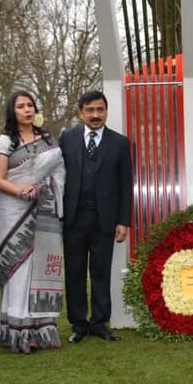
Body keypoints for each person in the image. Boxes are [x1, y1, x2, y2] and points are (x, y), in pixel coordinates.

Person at [0, 91, 65, 354]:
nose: (26, 110)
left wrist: (46, 188)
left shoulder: (47, 139)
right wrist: (20, 191)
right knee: (19, 270)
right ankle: (18, 332)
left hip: (43, 211)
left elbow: (58, 172)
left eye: (30, 105)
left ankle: (40, 329)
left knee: (39, 267)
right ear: (12, 111)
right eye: (20, 106)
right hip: (13, 211)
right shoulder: (5, 141)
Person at [59, 90, 132, 343]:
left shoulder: (120, 143)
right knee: (75, 271)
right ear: (81, 113)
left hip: (105, 220)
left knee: (101, 272)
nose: (96, 115)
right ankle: (78, 324)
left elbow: (125, 184)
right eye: (90, 110)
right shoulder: (66, 138)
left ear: (106, 111)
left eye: (100, 110)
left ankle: (100, 323)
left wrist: (123, 221)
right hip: (73, 220)